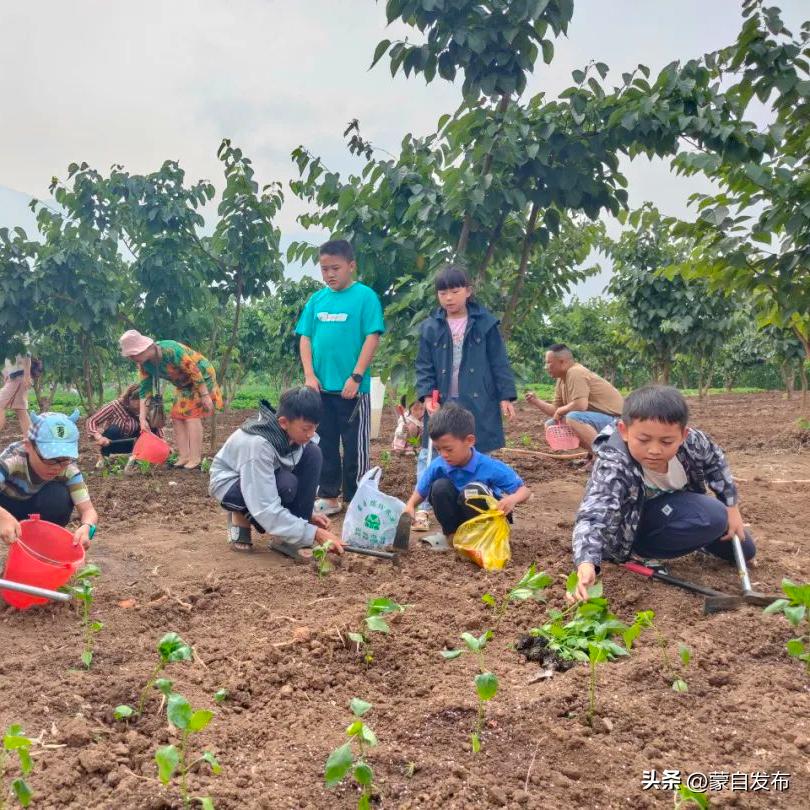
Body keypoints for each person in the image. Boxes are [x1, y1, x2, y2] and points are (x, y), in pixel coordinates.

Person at [569, 385, 756, 603]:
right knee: (713, 515)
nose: (655, 450)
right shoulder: (614, 462)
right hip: (634, 531)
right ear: (624, 431)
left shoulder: (694, 443)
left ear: (683, 435)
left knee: (745, 549)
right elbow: (594, 512)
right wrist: (586, 563)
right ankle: (643, 554)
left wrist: (732, 507)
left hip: (676, 509)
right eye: (644, 440)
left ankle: (695, 537)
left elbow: (716, 463)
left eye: (666, 442)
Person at [414, 264, 517, 532]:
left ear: (468, 291)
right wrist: (426, 396)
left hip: (479, 401)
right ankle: (422, 511)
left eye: (455, 291)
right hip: (442, 402)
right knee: (431, 453)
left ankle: (485, 509)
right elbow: (423, 365)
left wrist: (506, 396)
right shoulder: (430, 327)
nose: (449, 297)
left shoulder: (486, 324)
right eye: (443, 292)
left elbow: (499, 361)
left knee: (478, 453)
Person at [295, 239, 385, 516]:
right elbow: (305, 337)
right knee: (325, 443)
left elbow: (372, 337)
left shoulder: (365, 297)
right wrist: (309, 375)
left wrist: (356, 376)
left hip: (352, 390)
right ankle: (330, 496)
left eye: (335, 268)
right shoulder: (317, 300)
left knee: (356, 447)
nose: (329, 274)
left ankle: (357, 499)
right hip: (321, 389)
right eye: (324, 269)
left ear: (351, 266)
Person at [208, 386, 345, 562]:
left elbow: (299, 473)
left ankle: (289, 538)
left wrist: (306, 515)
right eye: (306, 429)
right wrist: (313, 533)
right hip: (231, 483)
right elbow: (265, 507)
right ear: (283, 422)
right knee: (286, 485)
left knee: (313, 454)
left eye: (315, 428)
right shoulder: (257, 445)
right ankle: (239, 519)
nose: (311, 434)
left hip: (266, 477)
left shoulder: (294, 434)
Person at [403, 404, 530, 550]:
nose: (444, 454)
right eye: (438, 449)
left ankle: (483, 538)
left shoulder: (489, 466)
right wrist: (410, 505)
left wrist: (512, 499)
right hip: (458, 518)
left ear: (469, 441)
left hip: (486, 520)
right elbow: (421, 491)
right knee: (439, 487)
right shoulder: (439, 465)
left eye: (449, 449)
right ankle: (453, 537)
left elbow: (524, 491)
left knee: (471, 491)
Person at [118, 330, 222, 470]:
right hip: (183, 384)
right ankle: (184, 456)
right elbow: (145, 391)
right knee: (177, 416)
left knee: (192, 416)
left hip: (202, 377)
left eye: (133, 353)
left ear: (145, 348)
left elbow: (193, 370)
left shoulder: (171, 350)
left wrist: (204, 395)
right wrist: (142, 419)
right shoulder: (145, 365)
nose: (131, 357)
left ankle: (195, 458)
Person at [0, 410, 98, 549]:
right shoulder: (13, 458)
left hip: (32, 510)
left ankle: (41, 543)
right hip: (6, 504)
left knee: (59, 496)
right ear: (29, 446)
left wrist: (87, 527)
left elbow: (88, 510)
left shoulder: (68, 467)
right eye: (50, 459)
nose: (57, 467)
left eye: (64, 459)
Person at [525, 344, 623, 453]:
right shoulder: (562, 379)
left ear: (562, 362)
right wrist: (536, 401)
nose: (545, 367)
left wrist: (560, 411)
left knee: (573, 418)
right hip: (602, 420)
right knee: (551, 424)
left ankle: (604, 457)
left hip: (618, 423)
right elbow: (555, 411)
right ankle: (594, 454)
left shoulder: (575, 372)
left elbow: (580, 405)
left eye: (548, 363)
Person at [86, 383, 165, 469]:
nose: (140, 405)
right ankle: (104, 458)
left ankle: (141, 457)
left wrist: (163, 442)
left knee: (149, 427)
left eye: (143, 401)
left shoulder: (146, 409)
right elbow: (92, 420)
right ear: (129, 398)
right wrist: (99, 437)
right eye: (137, 400)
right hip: (113, 443)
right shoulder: (115, 406)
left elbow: (157, 427)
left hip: (133, 444)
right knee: (114, 429)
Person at [0, 354, 33, 436]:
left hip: (18, 378)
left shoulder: (15, 341)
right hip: (13, 379)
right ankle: (31, 441)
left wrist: (27, 375)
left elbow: (26, 355)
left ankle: (31, 441)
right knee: (21, 411)